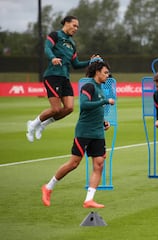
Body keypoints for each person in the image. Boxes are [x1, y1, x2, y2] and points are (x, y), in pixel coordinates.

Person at [41, 60, 114, 208]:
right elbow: (85, 105)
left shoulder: (100, 88)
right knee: (74, 163)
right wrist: (105, 101)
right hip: (84, 132)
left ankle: (89, 200)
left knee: (99, 164)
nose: (108, 75)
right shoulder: (88, 86)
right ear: (97, 72)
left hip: (98, 133)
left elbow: (96, 110)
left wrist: (103, 122)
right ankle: (48, 187)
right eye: (105, 72)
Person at [26, 15, 100, 142]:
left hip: (65, 78)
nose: (76, 28)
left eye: (77, 27)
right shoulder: (55, 35)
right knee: (56, 109)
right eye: (74, 25)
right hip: (52, 76)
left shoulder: (72, 44)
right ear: (66, 23)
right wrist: (52, 58)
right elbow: (47, 48)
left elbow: (76, 64)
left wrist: (91, 62)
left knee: (69, 108)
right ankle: (33, 124)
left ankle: (43, 125)